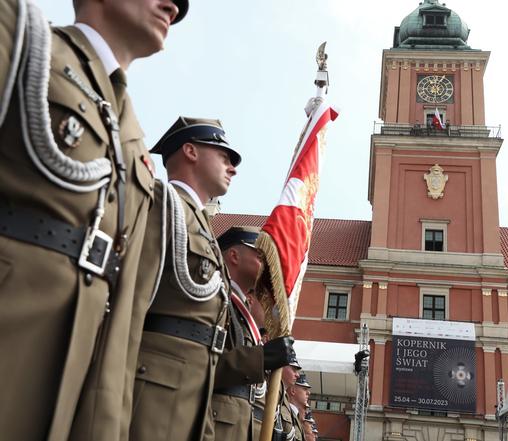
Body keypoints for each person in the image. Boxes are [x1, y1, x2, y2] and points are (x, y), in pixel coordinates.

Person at [0, 1, 187, 440]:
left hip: (77, 389)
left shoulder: (134, 138)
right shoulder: (25, 39)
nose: (173, 7)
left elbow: (126, 309)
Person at [128, 116, 238, 441]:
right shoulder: (162, 204)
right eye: (224, 155)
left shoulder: (198, 222)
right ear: (190, 151)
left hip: (195, 387)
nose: (232, 167)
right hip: (155, 387)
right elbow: (133, 301)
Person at [211, 226, 296, 441]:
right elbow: (200, 364)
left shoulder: (238, 310)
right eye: (259, 256)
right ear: (234, 256)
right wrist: (261, 359)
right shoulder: (214, 298)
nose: (266, 264)